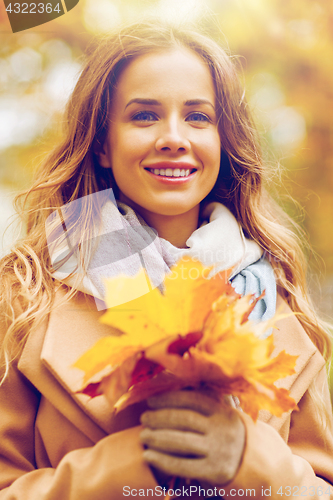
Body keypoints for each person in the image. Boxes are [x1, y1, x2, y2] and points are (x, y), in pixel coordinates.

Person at [0, 20, 333, 500]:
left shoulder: (275, 296)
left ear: (223, 140)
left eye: (198, 117)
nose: (174, 137)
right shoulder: (25, 295)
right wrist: (135, 466)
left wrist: (246, 460)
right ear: (101, 145)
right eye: (144, 116)